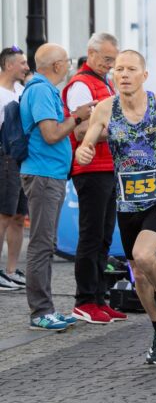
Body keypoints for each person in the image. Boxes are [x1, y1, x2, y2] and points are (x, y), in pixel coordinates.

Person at [76, 50, 156, 364]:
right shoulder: (106, 108)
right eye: (118, 69)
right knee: (140, 274)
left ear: (143, 75)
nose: (123, 74)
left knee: (144, 255)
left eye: (130, 69)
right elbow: (90, 136)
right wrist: (85, 148)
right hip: (128, 201)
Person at [21, 44, 94, 331]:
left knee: (45, 243)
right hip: (43, 175)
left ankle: (46, 308)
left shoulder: (43, 89)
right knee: (41, 244)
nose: (69, 65)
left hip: (48, 174)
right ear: (56, 66)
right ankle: (41, 311)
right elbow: (51, 134)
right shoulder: (40, 90)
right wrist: (77, 116)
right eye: (66, 61)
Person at [63, 32, 124, 324]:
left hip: (108, 168)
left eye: (114, 60)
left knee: (103, 237)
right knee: (91, 237)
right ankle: (84, 300)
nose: (111, 65)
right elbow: (79, 132)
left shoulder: (103, 82)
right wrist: (119, 131)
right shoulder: (81, 85)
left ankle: (100, 298)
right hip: (91, 169)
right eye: (107, 59)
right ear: (92, 53)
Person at [0, 47, 29, 290]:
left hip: (21, 157)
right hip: (4, 157)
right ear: (9, 65)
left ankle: (11, 270)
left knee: (19, 217)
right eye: (22, 63)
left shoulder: (22, 91)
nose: (26, 67)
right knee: (3, 215)